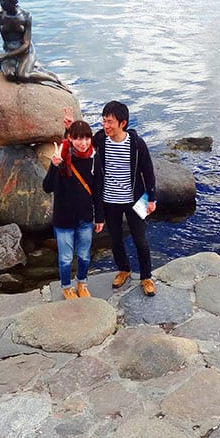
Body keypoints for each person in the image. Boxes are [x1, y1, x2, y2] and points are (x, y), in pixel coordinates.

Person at [85, 101, 158, 296]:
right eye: (104, 121)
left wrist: (152, 199)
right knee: (115, 239)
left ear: (122, 123)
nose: (106, 125)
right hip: (109, 200)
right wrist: (69, 128)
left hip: (136, 199)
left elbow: (148, 171)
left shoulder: (136, 143)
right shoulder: (100, 140)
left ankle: (146, 277)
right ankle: (123, 269)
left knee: (140, 239)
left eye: (110, 122)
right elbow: (81, 145)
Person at [43, 120, 105, 299]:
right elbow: (47, 187)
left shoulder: (94, 157)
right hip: (63, 220)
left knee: (85, 256)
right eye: (78, 138)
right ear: (70, 139)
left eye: (86, 138)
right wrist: (54, 166)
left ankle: (82, 282)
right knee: (65, 259)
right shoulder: (62, 158)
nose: (83, 142)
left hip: (85, 218)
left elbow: (98, 189)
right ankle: (66, 287)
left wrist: (99, 217)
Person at [0, 0, 68, 90]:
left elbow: (26, 44)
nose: (1, 3)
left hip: (25, 52)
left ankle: (53, 79)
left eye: (3, 0)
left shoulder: (26, 16)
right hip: (9, 51)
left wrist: (6, 56)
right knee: (10, 76)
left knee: (23, 76)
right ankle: (30, 68)